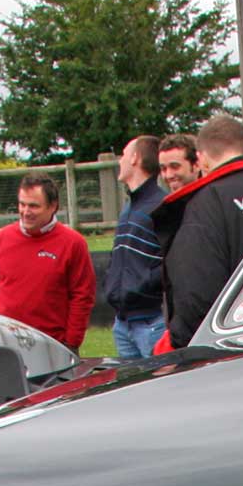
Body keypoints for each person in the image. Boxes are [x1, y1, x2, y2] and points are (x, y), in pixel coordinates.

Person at [152, 115, 243, 349]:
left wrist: (185, 346)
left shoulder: (203, 205)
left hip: (233, 348)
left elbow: (195, 296)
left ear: (201, 159)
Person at [0, 172, 96, 352]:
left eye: (34, 206)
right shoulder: (3, 238)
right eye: (22, 204)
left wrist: (71, 342)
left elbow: (82, 296)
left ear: (53, 206)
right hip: (5, 344)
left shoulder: (73, 243)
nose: (26, 212)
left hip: (53, 346)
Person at [105, 136, 168, 358]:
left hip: (151, 324)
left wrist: (142, 285)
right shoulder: (129, 207)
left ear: (134, 158)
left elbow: (171, 259)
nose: (120, 161)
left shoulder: (161, 206)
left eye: (123, 154)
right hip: (123, 324)